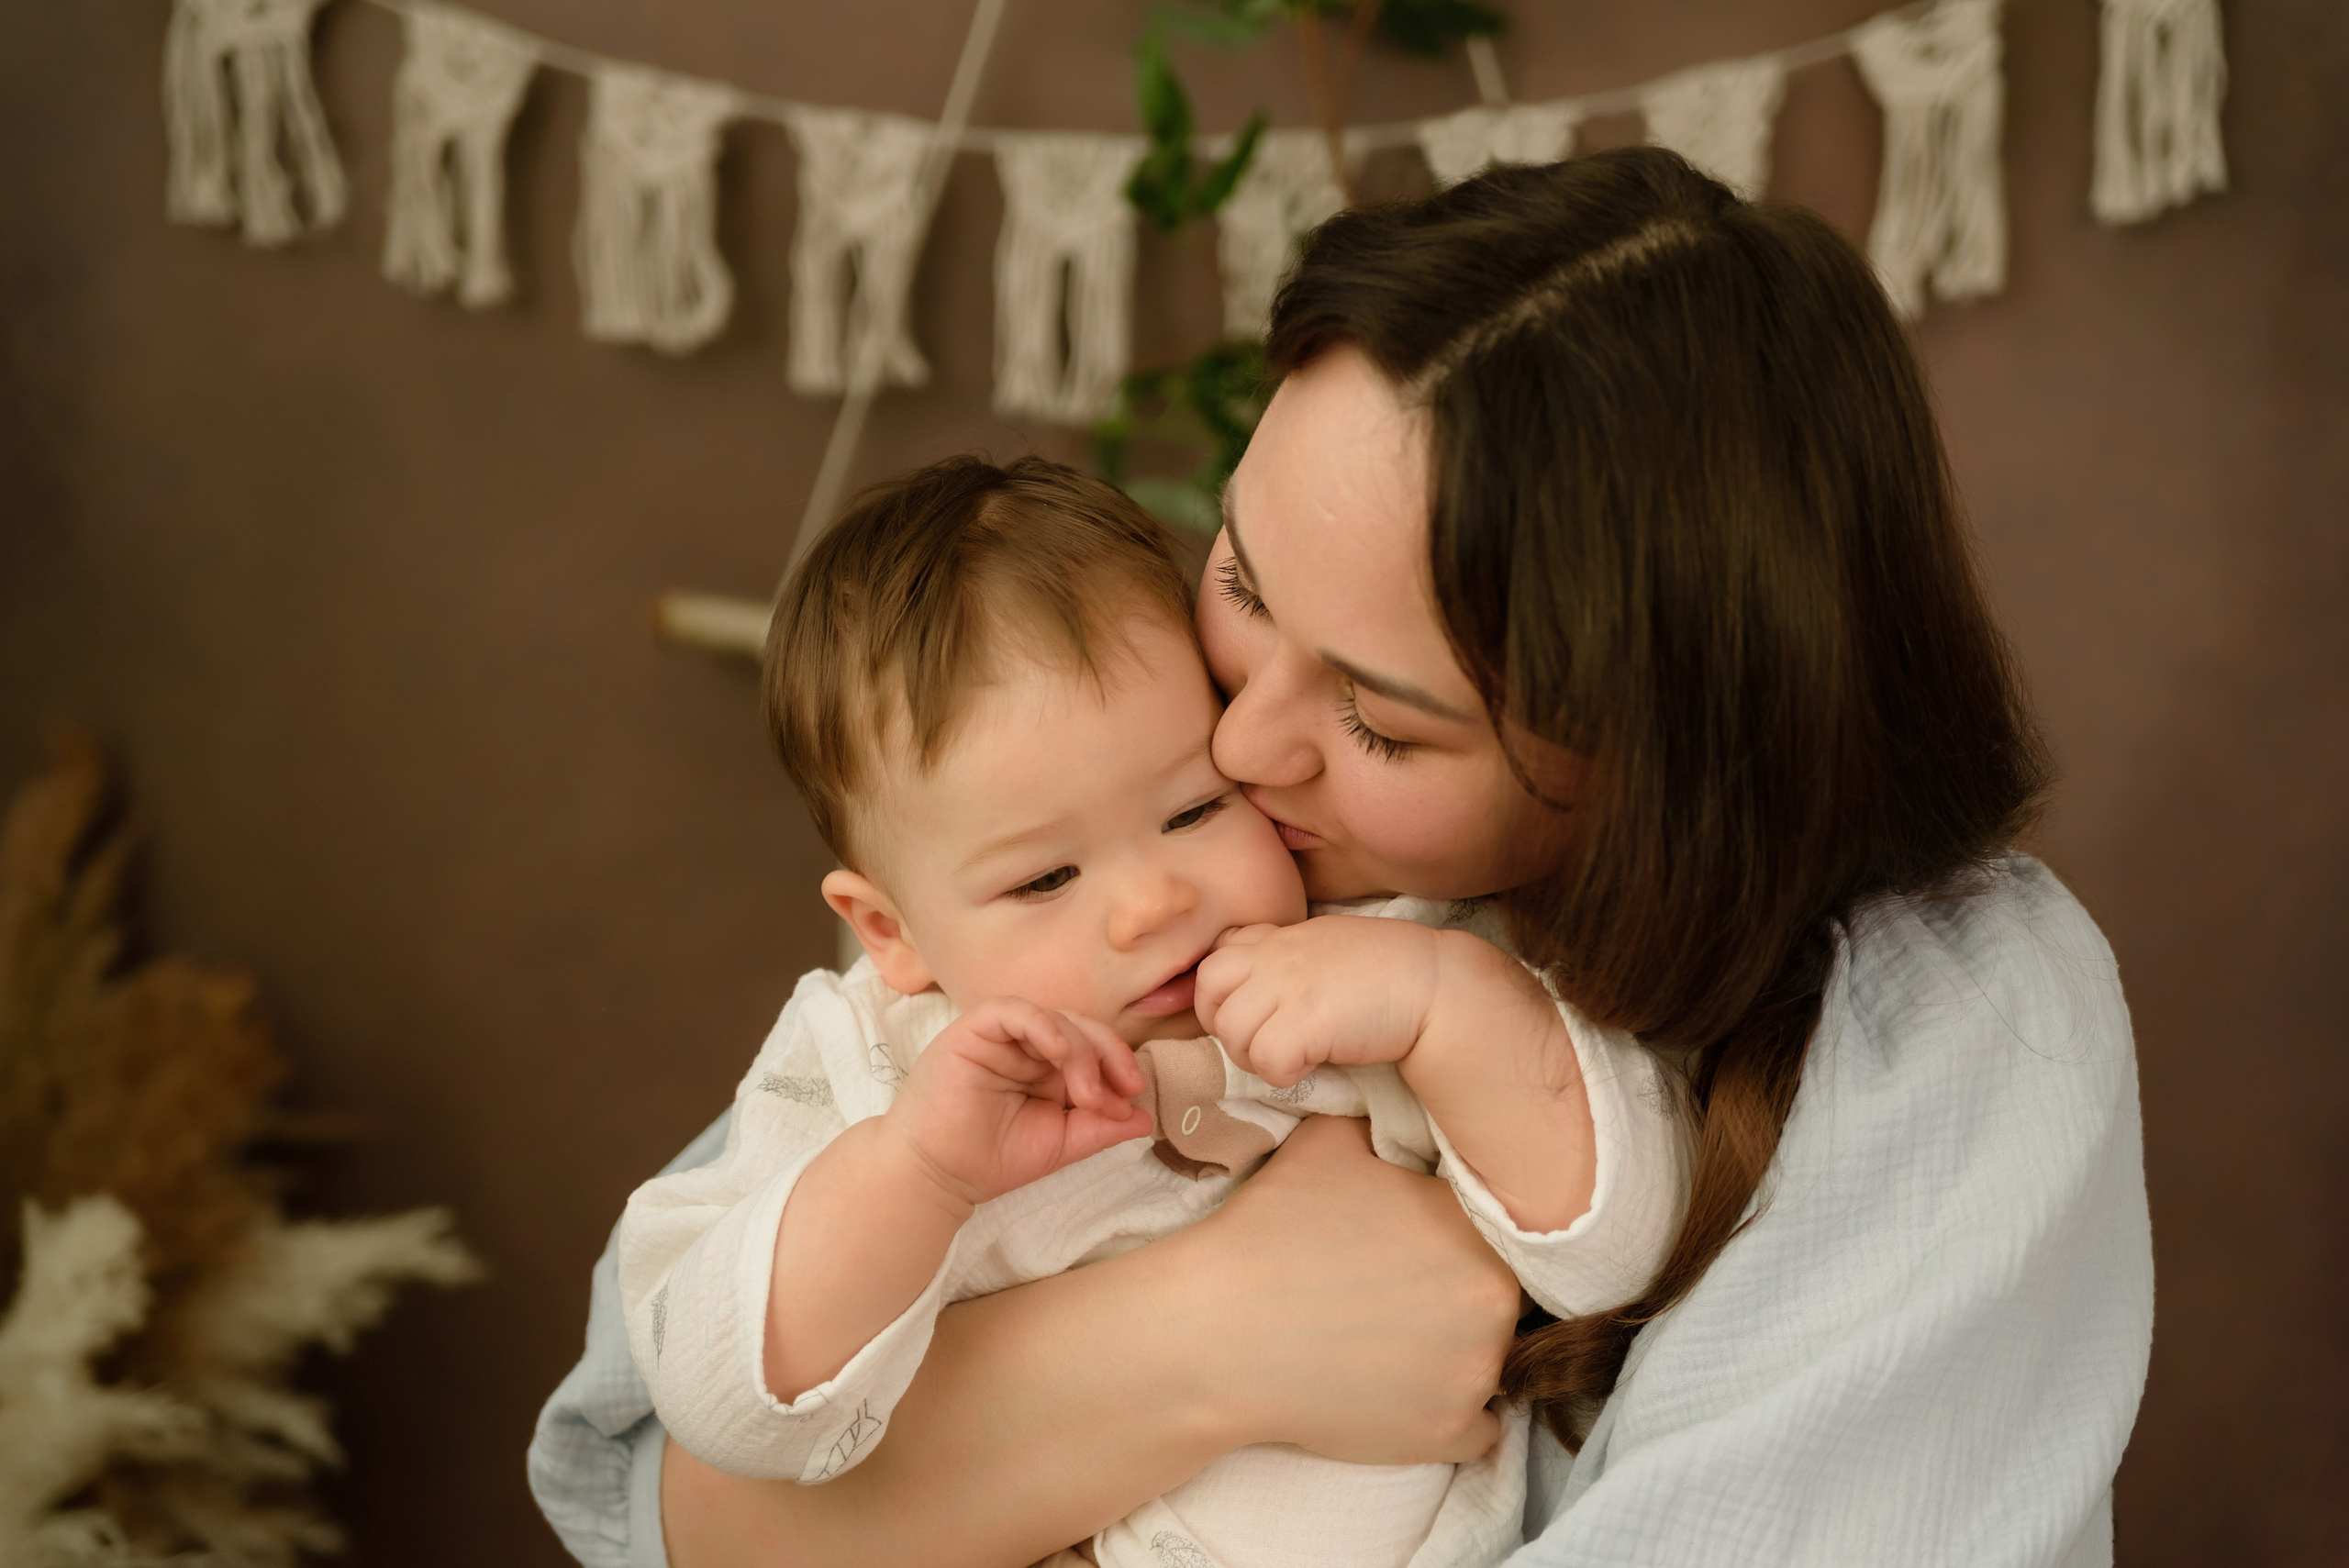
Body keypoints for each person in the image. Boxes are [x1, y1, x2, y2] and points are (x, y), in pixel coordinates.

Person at [531, 148, 2153, 1567]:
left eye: (1382, 719)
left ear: (1673, 757)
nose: (1238, 753)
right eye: (1238, 574)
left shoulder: (1954, 1023)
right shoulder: (1178, 848)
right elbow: (648, 1463)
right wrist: (1211, 1336)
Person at [612, 454, 1687, 1568]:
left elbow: (1626, 1249)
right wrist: (918, 1171)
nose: (1151, 904)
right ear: (891, 932)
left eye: (1191, 808)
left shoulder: (1378, 958)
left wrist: (1442, 1002)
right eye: (1043, 880)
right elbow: (721, 1405)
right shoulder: (870, 1063)